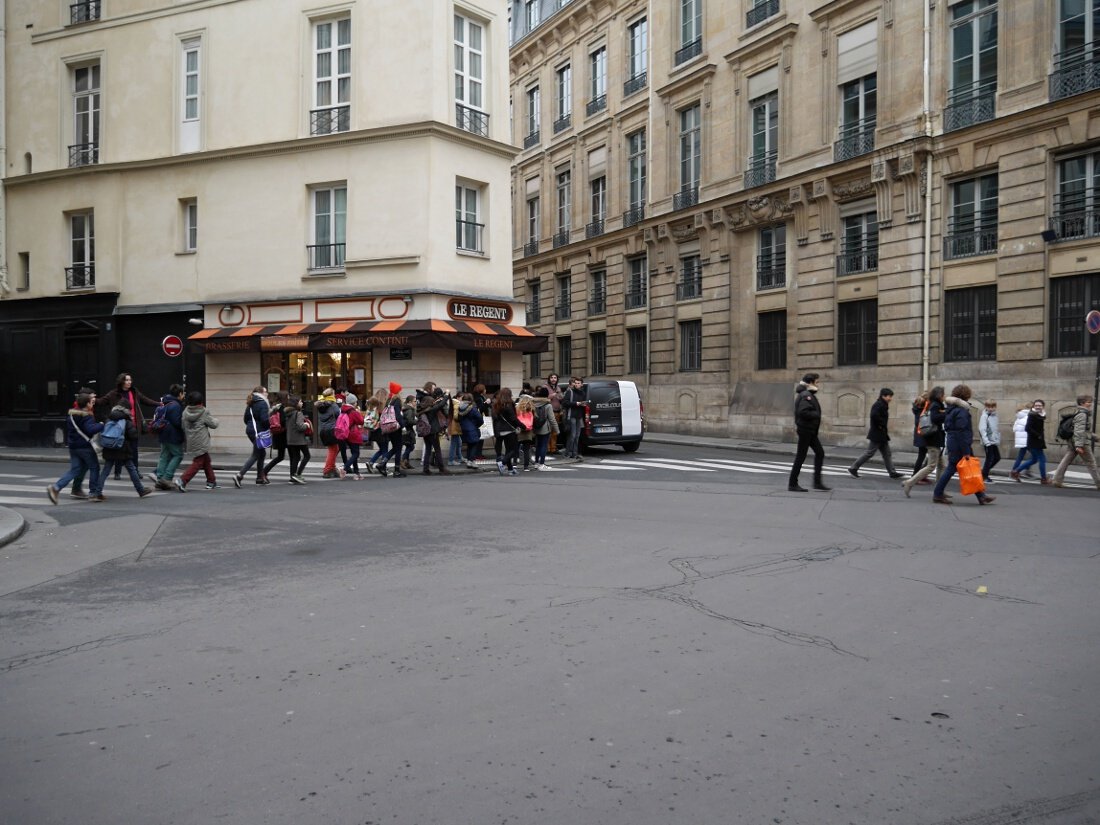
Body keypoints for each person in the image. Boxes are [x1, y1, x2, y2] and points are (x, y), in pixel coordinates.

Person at [931, 384, 995, 505]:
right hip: (960, 444)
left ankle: (981, 496)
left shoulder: (951, 409)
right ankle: (937, 494)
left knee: (968, 469)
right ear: (966, 395)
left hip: (955, 442)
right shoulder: (961, 410)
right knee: (952, 468)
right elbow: (962, 431)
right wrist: (966, 450)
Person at [90, 396, 153, 501]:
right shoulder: (126, 420)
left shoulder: (109, 418)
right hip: (122, 448)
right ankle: (141, 490)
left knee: (105, 470)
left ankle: (97, 492)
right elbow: (133, 435)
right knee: (131, 469)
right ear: (126, 409)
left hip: (109, 447)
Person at [97, 372, 159, 478]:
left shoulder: (134, 392)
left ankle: (135, 471)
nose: (129, 382)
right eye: (127, 380)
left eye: (130, 380)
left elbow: (145, 400)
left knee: (134, 450)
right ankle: (117, 472)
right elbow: (102, 401)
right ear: (121, 381)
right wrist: (92, 400)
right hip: (119, 427)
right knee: (118, 448)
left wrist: (159, 404)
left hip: (133, 426)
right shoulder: (113, 394)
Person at [47, 389, 103, 504]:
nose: (92, 403)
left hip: (73, 446)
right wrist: (101, 425)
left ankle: (56, 488)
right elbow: (90, 429)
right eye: (91, 401)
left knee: (75, 469)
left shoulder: (72, 414)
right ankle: (93, 493)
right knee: (94, 467)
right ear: (86, 404)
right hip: (85, 447)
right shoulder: (87, 416)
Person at [788, 373, 830, 492]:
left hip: (809, 430)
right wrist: (816, 414)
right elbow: (803, 412)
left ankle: (817, 482)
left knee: (820, 453)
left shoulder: (806, 394)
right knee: (801, 456)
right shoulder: (806, 395)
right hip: (806, 430)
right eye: (817, 382)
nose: (818, 384)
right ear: (811, 383)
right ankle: (792, 484)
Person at [848, 388, 903, 479]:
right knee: (870, 453)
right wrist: (881, 425)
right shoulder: (879, 404)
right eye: (889, 396)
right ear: (883, 396)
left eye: (891, 396)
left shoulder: (883, 404)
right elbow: (874, 415)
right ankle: (853, 468)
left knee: (887, 454)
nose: (890, 398)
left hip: (881, 434)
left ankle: (892, 472)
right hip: (877, 433)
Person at [902, 386, 947, 496]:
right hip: (933, 440)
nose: (944, 396)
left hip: (935, 439)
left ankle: (939, 490)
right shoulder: (935, 405)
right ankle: (909, 482)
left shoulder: (934, 404)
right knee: (931, 466)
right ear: (939, 395)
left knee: (941, 466)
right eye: (943, 394)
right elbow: (935, 418)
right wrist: (947, 413)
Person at [1052, 394, 1100, 490]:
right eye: (1089, 402)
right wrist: (1079, 446)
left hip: (1073, 441)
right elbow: (1079, 431)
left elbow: (1083, 431)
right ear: (1082, 403)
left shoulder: (1078, 412)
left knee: (1066, 461)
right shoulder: (1082, 414)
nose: (1090, 404)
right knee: (1091, 463)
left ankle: (1057, 480)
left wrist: (1095, 437)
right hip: (1081, 443)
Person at [176, 390, 220, 491]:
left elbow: (183, 426)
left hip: (191, 440)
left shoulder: (185, 412)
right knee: (198, 463)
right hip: (202, 441)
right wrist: (217, 419)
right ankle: (182, 480)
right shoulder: (204, 412)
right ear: (201, 401)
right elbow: (214, 424)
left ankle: (211, 481)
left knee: (206, 460)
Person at [233, 386, 271, 487]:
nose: (267, 394)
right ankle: (239, 475)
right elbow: (264, 420)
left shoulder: (251, 403)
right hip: (258, 431)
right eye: (266, 392)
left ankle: (259, 478)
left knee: (261, 453)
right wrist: (269, 424)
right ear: (261, 393)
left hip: (250, 430)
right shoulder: (262, 403)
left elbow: (245, 419)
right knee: (256, 454)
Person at [152, 384, 187, 490]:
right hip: (172, 435)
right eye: (183, 393)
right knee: (178, 455)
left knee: (164, 456)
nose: (184, 395)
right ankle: (167, 478)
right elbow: (177, 422)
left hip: (163, 433)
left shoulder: (166, 403)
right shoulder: (176, 405)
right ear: (180, 394)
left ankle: (159, 479)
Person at [1011, 399, 1050, 484]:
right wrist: (1038, 435)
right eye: (1036, 405)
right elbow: (1027, 428)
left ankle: (1016, 471)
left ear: (1043, 406)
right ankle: (1044, 479)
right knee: (1042, 460)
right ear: (1033, 406)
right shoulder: (1032, 415)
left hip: (1036, 441)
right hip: (1034, 441)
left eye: (1040, 405)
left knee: (1034, 460)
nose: (1038, 407)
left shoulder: (1040, 415)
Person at [416, 385, 450, 475]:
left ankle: (425, 469)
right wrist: (446, 395)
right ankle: (441, 468)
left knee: (428, 449)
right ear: (429, 402)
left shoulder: (421, 409)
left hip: (425, 432)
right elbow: (441, 404)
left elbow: (439, 402)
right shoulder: (431, 409)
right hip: (433, 431)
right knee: (437, 449)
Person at [374, 382, 406, 477]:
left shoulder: (389, 400)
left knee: (396, 447)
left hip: (389, 427)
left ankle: (382, 464)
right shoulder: (396, 400)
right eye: (399, 390)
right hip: (395, 427)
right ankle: (396, 470)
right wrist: (403, 425)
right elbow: (397, 414)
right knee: (398, 448)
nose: (401, 392)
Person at [492, 387, 523, 476]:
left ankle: (510, 469)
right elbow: (513, 418)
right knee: (513, 450)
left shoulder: (496, 404)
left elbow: (494, 418)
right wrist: (522, 425)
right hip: (509, 430)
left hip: (499, 430)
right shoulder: (509, 404)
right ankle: (503, 463)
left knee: (508, 451)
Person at [284, 395, 312, 484]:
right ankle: (298, 474)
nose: (302, 403)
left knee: (295, 458)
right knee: (307, 456)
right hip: (299, 439)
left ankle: (292, 476)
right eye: (300, 401)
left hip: (290, 439)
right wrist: (306, 425)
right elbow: (300, 427)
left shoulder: (288, 413)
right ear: (296, 403)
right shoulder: (298, 413)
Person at [261, 392, 289, 481]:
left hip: (278, 434)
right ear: (284, 397)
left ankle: (264, 471)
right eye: (288, 396)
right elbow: (283, 421)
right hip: (282, 435)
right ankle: (264, 471)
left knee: (281, 456)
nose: (289, 397)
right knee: (282, 456)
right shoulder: (281, 408)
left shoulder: (276, 407)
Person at [337, 393, 365, 479]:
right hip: (353, 433)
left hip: (346, 434)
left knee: (354, 453)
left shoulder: (343, 409)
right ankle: (344, 467)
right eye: (356, 402)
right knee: (356, 453)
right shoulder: (353, 411)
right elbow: (361, 421)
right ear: (354, 402)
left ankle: (357, 473)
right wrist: (359, 412)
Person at [316, 388, 342, 478]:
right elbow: (338, 414)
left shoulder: (321, 405)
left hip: (323, 430)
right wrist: (339, 405)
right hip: (331, 430)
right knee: (333, 449)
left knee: (334, 448)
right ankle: (327, 470)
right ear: (332, 395)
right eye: (334, 393)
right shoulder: (333, 405)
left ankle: (332, 468)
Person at [531, 386, 559, 470]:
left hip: (536, 427)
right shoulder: (548, 405)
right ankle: (542, 464)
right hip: (545, 428)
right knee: (544, 446)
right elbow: (552, 419)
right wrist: (557, 430)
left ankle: (536, 463)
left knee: (538, 446)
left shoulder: (533, 404)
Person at [561, 376, 587, 460]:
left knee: (577, 436)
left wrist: (583, 404)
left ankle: (575, 453)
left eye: (578, 383)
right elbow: (565, 403)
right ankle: (569, 453)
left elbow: (582, 404)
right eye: (575, 383)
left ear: (581, 384)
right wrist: (576, 403)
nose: (576, 384)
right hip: (571, 415)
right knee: (572, 435)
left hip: (579, 416)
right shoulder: (570, 392)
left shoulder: (582, 393)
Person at [456, 392, 484, 468]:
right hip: (472, 429)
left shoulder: (460, 407)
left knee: (469, 445)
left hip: (464, 429)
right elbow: (480, 419)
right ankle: (472, 461)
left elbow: (458, 419)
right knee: (474, 444)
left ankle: (469, 461)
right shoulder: (472, 408)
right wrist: (476, 425)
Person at [978, 399, 1002, 484]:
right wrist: (986, 442)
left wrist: (996, 438)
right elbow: (982, 429)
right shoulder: (984, 416)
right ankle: (984, 476)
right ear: (986, 407)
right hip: (988, 441)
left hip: (994, 441)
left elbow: (995, 429)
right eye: (989, 407)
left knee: (997, 458)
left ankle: (983, 472)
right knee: (990, 458)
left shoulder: (995, 416)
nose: (991, 409)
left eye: (993, 407)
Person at [1009, 404, 1031, 478]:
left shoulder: (1019, 417)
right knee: (1034, 456)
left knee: (1020, 457)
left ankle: (1014, 471)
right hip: (1027, 439)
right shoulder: (1028, 416)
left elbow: (1014, 429)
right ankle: (1024, 471)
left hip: (1021, 440)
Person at [516, 394, 536, 471]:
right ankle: (526, 467)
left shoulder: (517, 409)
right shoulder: (531, 409)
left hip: (519, 430)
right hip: (528, 431)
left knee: (516, 447)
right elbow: (535, 419)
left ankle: (515, 462)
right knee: (526, 450)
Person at [545, 374, 564, 454]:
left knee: (555, 431)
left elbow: (561, 397)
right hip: (549, 412)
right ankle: (547, 448)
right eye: (552, 378)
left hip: (557, 412)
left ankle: (553, 448)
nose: (553, 379)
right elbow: (544, 397)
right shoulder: (545, 387)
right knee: (548, 430)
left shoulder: (558, 387)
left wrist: (560, 395)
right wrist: (553, 395)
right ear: (549, 379)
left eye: (555, 378)